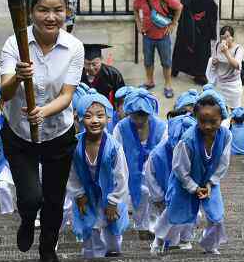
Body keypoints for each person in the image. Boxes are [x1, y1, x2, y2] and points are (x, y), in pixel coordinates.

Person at [0, 0, 83, 262]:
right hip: (19, 134)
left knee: (53, 199)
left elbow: (68, 95)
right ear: (31, 12)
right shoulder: (14, 44)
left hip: (58, 133)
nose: (51, 17)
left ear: (66, 12)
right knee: (31, 198)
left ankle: (48, 249)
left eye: (58, 10)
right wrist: (18, 77)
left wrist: (44, 111)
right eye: (43, 10)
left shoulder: (74, 47)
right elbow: (5, 93)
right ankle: (26, 219)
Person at [151, 89, 231, 255]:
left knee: (216, 215)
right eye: (203, 121)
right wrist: (194, 187)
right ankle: (159, 240)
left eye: (213, 121)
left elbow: (223, 163)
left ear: (222, 118)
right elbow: (180, 168)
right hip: (185, 181)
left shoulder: (226, 136)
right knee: (174, 212)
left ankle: (210, 244)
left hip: (210, 180)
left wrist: (210, 183)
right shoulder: (188, 139)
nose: (208, 126)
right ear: (196, 118)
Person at [66, 92, 130, 259]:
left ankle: (113, 252)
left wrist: (114, 201)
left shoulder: (114, 148)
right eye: (88, 116)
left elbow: (121, 177)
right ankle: (92, 255)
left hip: (109, 195)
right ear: (79, 118)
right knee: (90, 228)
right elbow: (71, 173)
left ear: (108, 118)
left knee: (111, 230)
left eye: (100, 116)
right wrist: (78, 194)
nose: (94, 121)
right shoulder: (75, 145)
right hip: (87, 196)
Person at [145, 107, 197, 253]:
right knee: (170, 222)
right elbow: (150, 176)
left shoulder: (193, 149)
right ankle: (165, 242)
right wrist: (159, 196)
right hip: (165, 195)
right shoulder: (158, 153)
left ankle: (185, 240)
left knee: (189, 217)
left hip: (187, 192)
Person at [113, 88, 165, 232]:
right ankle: (139, 225)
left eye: (143, 115)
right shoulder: (121, 128)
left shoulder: (161, 127)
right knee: (138, 194)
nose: (139, 120)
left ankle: (154, 226)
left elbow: (164, 157)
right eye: (135, 116)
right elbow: (117, 155)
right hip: (129, 171)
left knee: (154, 196)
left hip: (155, 172)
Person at [133, 0, 182, 98]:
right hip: (147, 35)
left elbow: (179, 7)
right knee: (148, 61)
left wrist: (173, 24)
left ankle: (168, 85)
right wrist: (138, 23)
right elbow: (135, 8)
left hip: (163, 36)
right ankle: (149, 81)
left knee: (166, 62)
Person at [172, 0, 219, 86]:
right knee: (203, 51)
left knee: (183, 48)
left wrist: (185, 32)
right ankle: (201, 73)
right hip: (204, 25)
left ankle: (177, 70)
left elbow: (185, 17)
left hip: (192, 27)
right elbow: (213, 7)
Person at [206, 25, 244, 108]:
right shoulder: (217, 45)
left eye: (227, 37)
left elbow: (237, 66)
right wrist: (214, 62)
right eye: (223, 37)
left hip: (233, 86)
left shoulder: (238, 49)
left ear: (232, 38)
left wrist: (226, 52)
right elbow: (214, 60)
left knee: (234, 110)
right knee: (220, 109)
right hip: (220, 85)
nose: (225, 40)